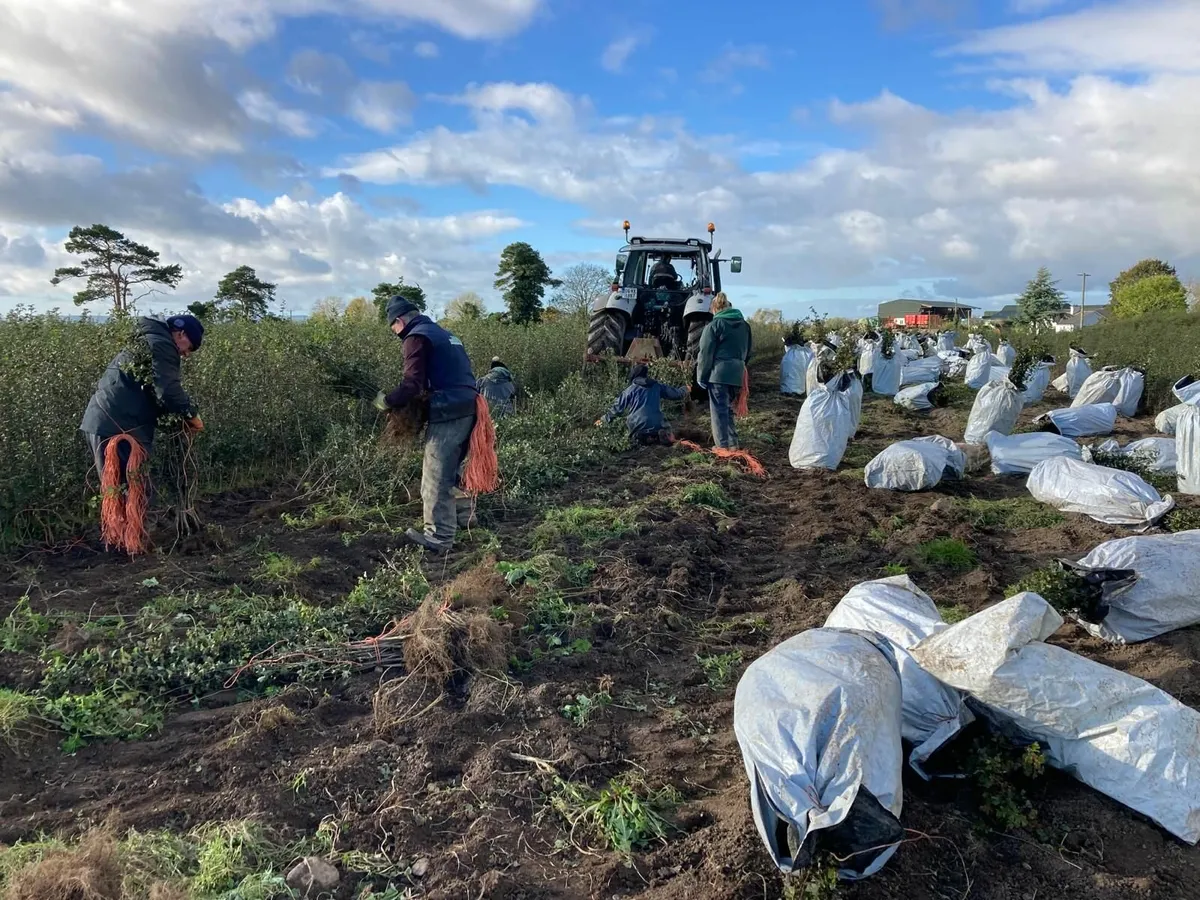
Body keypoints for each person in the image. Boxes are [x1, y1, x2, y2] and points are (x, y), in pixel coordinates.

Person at [375, 295, 480, 554]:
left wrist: (387, 401)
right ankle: (466, 517)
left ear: (399, 321)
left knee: (434, 478)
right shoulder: (445, 334)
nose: (396, 334)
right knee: (453, 470)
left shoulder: (416, 337)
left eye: (394, 329)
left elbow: (412, 383)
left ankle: (439, 537)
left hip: (449, 411)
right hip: (470, 406)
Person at [81, 313, 205, 487]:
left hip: (103, 420)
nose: (186, 354)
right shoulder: (163, 345)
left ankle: (122, 514)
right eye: (189, 347)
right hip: (119, 426)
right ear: (181, 334)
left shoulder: (146, 341)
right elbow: (168, 390)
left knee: (116, 490)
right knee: (133, 492)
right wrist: (191, 415)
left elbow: (151, 393)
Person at [696, 292, 752, 449]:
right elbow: (748, 352)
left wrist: (702, 376)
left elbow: (705, 354)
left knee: (719, 412)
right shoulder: (745, 326)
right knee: (728, 410)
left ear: (714, 309)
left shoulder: (714, 326)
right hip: (737, 374)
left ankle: (722, 447)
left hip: (718, 375)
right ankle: (733, 444)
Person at [595, 363, 688, 445]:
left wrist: (602, 421)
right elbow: (676, 394)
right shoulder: (657, 386)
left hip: (637, 424)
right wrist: (686, 389)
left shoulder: (629, 390)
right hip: (657, 423)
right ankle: (661, 436)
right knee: (664, 424)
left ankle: (640, 437)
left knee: (632, 426)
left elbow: (616, 410)